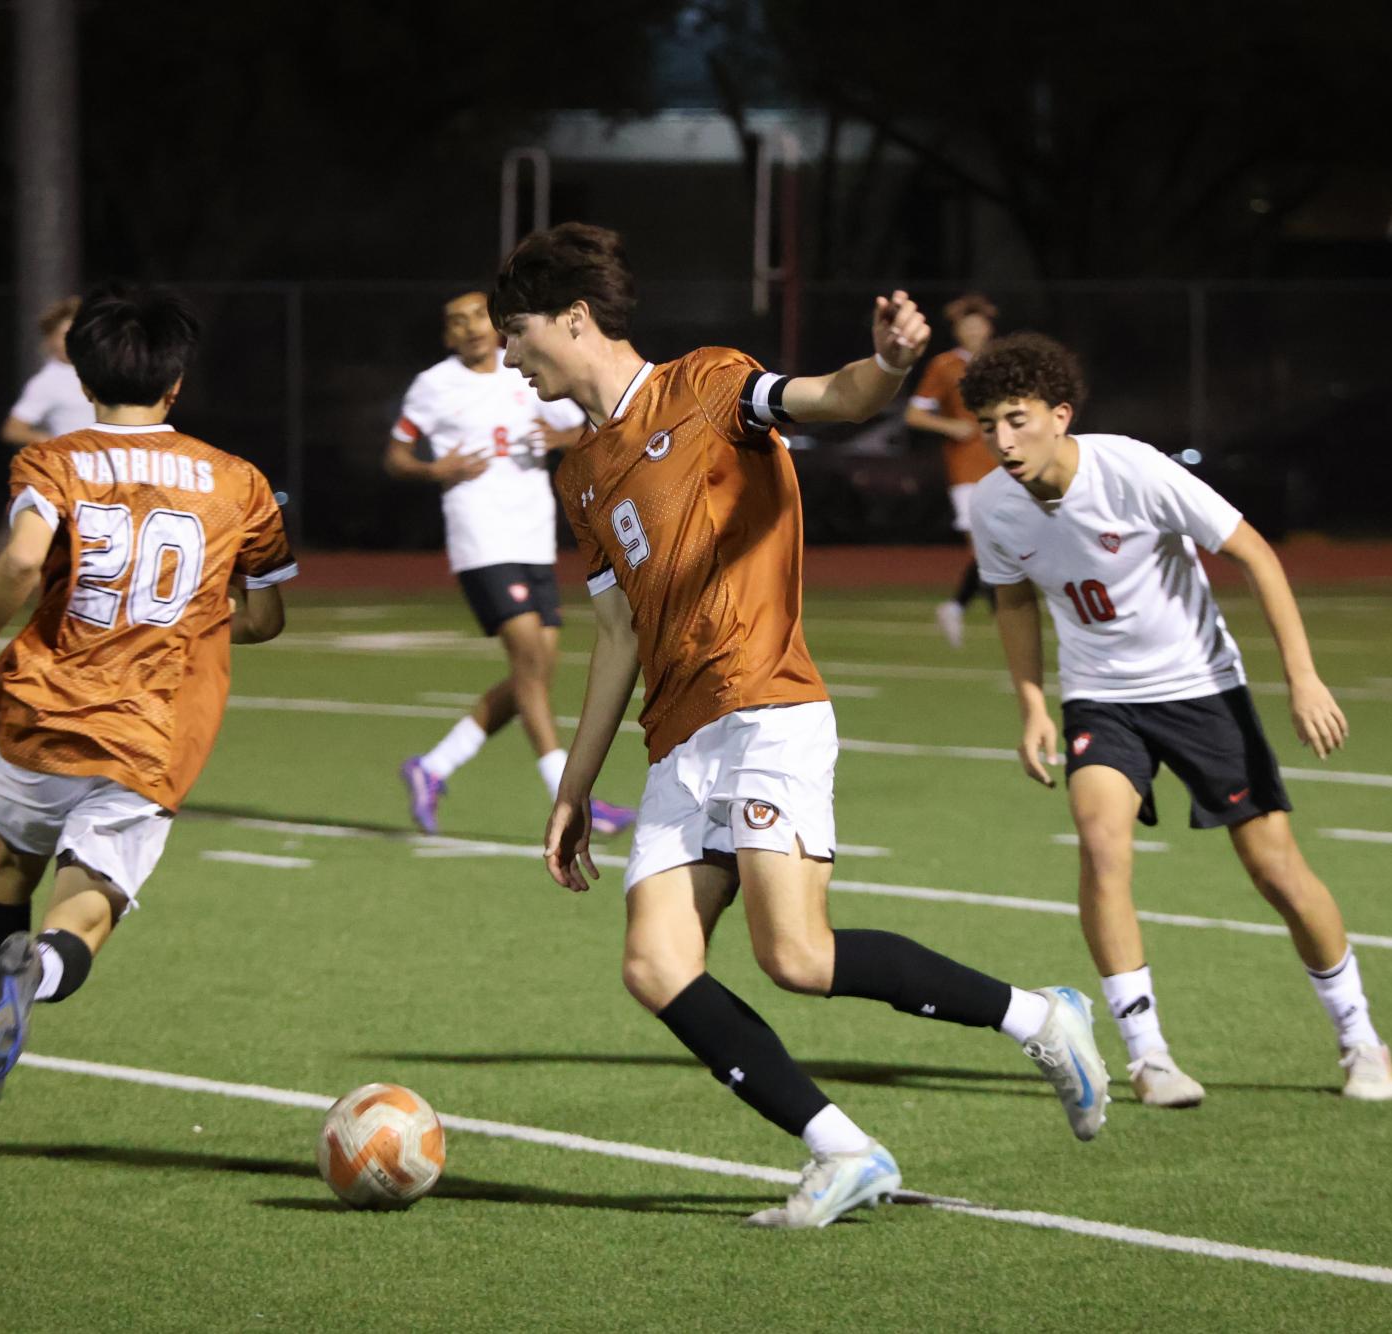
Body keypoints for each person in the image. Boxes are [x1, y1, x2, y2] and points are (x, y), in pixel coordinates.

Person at [497, 223, 1110, 1232]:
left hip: (766, 706)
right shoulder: (581, 473)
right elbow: (614, 634)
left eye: (517, 332)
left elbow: (832, 396)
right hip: (679, 737)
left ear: (573, 318)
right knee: (655, 964)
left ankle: (1042, 1016)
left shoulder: (707, 384)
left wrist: (893, 363)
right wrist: (574, 783)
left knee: (799, 953)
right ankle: (845, 1149)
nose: (511, 357)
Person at [962, 332, 1392, 1108]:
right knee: (1101, 848)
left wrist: (1301, 677)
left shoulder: (1131, 469)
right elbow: (1011, 598)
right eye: (988, 424)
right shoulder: (994, 505)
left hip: (1202, 691)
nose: (1001, 441)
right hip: (1100, 699)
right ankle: (1147, 1056)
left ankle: (1360, 1038)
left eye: (1017, 420)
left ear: (1059, 415)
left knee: (1275, 871)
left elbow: (1256, 554)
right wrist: (1031, 701)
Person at [0, 282, 296, 1100]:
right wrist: (193, 620)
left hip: (39, 713)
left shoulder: (52, 460)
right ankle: (40, 975)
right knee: (85, 909)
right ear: (175, 384)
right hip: (151, 732)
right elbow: (266, 617)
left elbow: (23, 562)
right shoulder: (238, 481)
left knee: (7, 867)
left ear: (83, 380)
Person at [388, 290, 634, 837]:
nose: (472, 327)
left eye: (479, 316)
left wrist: (562, 437)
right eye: (458, 321)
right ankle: (570, 796)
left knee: (535, 673)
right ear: (448, 335)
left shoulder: (523, 368)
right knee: (529, 666)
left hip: (533, 539)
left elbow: (587, 424)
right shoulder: (434, 386)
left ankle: (432, 767)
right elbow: (397, 454)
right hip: (481, 540)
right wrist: (435, 468)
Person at [0, 297, 97, 645]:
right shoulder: (48, 381)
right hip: (69, 478)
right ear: (49, 340)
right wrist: (51, 440)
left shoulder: (95, 370)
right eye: (63, 334)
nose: (69, 341)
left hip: (101, 476)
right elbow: (13, 429)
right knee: (35, 557)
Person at [903, 294, 1001, 648]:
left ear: (989, 328)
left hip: (1006, 466)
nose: (974, 331)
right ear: (957, 330)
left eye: (978, 324)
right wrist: (951, 427)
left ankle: (957, 607)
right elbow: (914, 414)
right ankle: (998, 619)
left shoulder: (1002, 363)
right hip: (967, 469)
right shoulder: (945, 366)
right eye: (966, 325)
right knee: (984, 548)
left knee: (1004, 545)